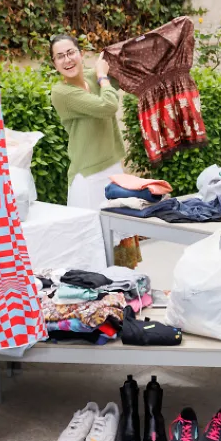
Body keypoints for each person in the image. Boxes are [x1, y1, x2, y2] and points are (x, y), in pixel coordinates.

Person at [49, 35, 140, 267]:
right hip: (87, 176)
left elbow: (129, 72)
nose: (67, 60)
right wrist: (102, 76)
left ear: (81, 54)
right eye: (60, 56)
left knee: (121, 236)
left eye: (71, 52)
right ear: (54, 63)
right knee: (90, 244)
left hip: (113, 168)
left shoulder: (94, 76)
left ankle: (126, 284)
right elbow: (108, 106)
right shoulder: (61, 92)